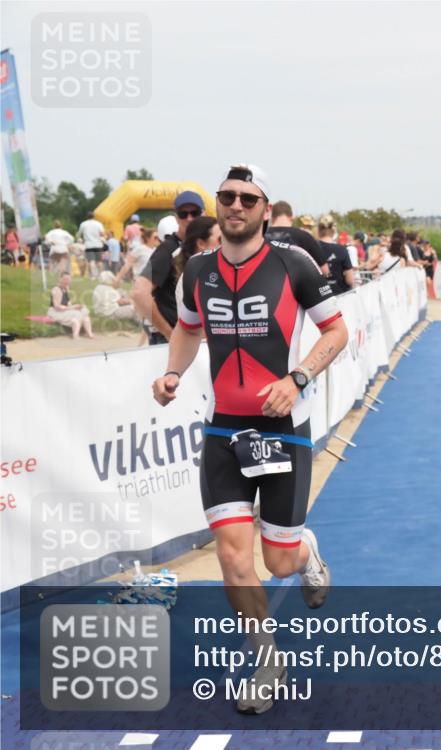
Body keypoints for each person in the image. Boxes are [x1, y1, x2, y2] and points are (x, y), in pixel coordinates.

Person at [152, 163, 347, 715]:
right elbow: (189, 327)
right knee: (234, 558)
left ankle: (307, 552)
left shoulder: (294, 265)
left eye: (246, 198)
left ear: (264, 208)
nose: (234, 206)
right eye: (226, 197)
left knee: (277, 561)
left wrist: (298, 377)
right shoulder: (196, 270)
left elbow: (337, 330)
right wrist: (173, 372)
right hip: (221, 429)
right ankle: (267, 658)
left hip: (283, 429)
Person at [132, 192, 205, 345]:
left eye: (195, 213)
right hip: (172, 342)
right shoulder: (167, 250)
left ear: (203, 213)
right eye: (183, 213)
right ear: (176, 217)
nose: (189, 218)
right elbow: (139, 292)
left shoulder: (201, 246)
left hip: (196, 339)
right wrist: (169, 334)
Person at [266, 201, 329, 275]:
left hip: (264, 283)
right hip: (296, 284)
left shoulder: (260, 236)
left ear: (272, 217)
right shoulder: (304, 236)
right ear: (291, 218)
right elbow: (325, 270)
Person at [47, 272, 94, 339]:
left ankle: (90, 334)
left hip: (63, 310)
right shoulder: (56, 290)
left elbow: (68, 304)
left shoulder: (66, 289)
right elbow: (57, 306)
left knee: (84, 310)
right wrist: (73, 307)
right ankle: (75, 335)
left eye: (68, 279)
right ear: (60, 279)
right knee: (77, 314)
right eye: (65, 279)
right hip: (55, 312)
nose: (67, 281)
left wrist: (77, 307)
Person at [317, 215, 355, 295]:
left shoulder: (311, 248)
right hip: (339, 295)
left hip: (317, 296)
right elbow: (350, 280)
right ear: (334, 231)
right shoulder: (342, 249)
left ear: (319, 230)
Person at [78, 211, 106, 278]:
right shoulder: (99, 224)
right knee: (99, 261)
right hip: (98, 244)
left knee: (91, 261)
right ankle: (101, 276)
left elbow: (80, 234)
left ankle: (93, 276)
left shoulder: (83, 224)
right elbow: (102, 234)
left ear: (87, 217)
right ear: (94, 216)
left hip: (89, 245)